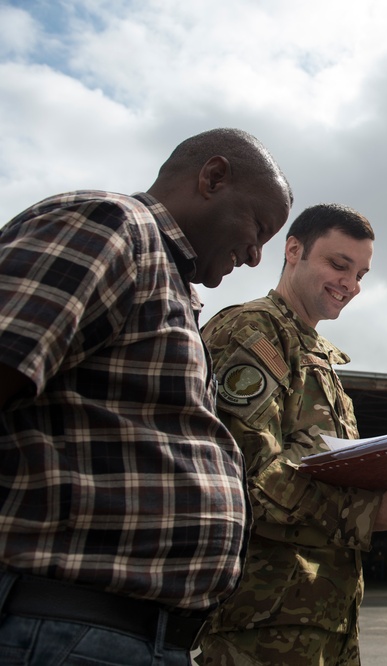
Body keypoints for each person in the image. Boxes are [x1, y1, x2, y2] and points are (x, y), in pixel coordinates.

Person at [0, 128, 293, 665]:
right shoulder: (113, 226)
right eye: (258, 227)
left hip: (131, 635)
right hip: (67, 623)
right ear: (213, 176)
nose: (254, 256)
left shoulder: (174, 287)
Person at [196, 203, 387, 665]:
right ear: (294, 250)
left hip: (324, 619)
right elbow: (246, 479)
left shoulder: (318, 355)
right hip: (261, 626)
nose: (351, 285)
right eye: (339, 265)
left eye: (361, 274)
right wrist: (375, 512)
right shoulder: (254, 333)